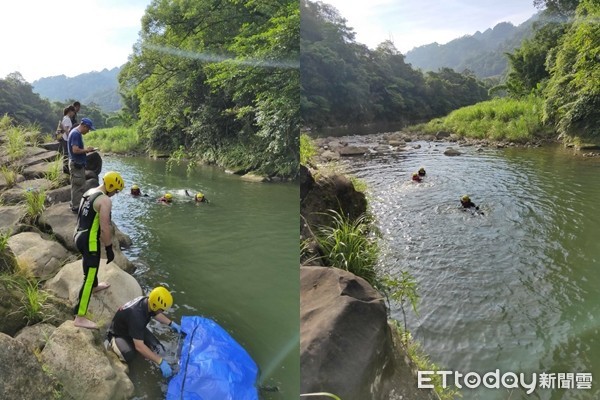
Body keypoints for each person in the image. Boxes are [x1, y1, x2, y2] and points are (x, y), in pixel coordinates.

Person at [73, 171, 125, 329]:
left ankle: (94, 286)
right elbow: (105, 228)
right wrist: (109, 248)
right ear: (110, 186)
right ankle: (80, 316)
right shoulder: (105, 200)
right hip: (90, 240)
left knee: (89, 266)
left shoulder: (90, 191)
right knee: (89, 275)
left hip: (78, 234)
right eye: (115, 190)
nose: (115, 194)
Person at [106, 286, 183, 378]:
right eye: (162, 309)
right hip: (118, 334)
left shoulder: (148, 301)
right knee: (129, 354)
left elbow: (156, 314)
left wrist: (171, 323)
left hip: (133, 327)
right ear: (155, 305)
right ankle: (113, 343)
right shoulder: (137, 315)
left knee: (158, 348)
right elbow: (139, 347)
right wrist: (160, 361)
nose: (162, 311)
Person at [67, 117, 96, 212]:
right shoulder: (76, 134)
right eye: (88, 129)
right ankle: (76, 207)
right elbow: (75, 150)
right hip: (76, 165)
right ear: (84, 126)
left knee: (75, 185)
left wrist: (85, 150)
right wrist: (86, 150)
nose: (88, 131)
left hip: (75, 163)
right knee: (79, 187)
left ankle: (74, 203)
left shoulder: (74, 132)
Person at [57, 105, 76, 172]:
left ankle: (65, 168)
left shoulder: (64, 118)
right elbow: (66, 130)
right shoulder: (67, 119)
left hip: (64, 138)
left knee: (65, 153)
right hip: (66, 139)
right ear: (70, 111)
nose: (74, 114)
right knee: (66, 154)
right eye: (74, 112)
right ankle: (65, 169)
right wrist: (71, 138)